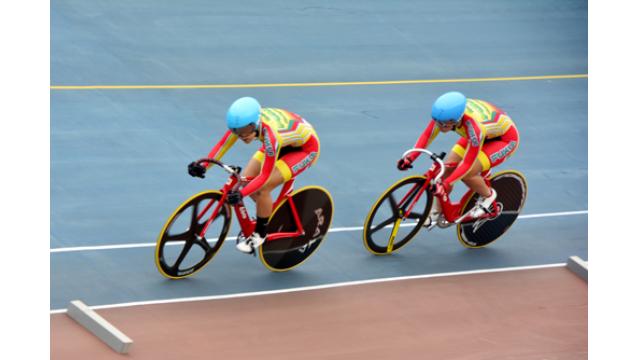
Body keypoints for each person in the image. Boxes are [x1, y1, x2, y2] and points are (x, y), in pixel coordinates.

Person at [188, 97, 320, 253]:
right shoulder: (242, 125)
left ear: (255, 123)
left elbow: (264, 176)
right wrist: (203, 166)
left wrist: (242, 194)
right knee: (245, 180)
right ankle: (268, 211)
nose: (242, 135)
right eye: (237, 132)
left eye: (246, 131)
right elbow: (222, 145)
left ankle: (260, 234)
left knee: (263, 188)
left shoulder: (270, 136)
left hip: (305, 149)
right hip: (284, 141)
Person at [397, 91, 520, 220]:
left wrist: (447, 184)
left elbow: (467, 164)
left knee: (467, 174)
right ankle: (436, 211)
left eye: (444, 124)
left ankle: (488, 196)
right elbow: (427, 136)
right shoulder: (444, 116)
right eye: (437, 122)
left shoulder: (473, 127)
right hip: (477, 135)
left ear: (456, 119)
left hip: (504, 140)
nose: (439, 126)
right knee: (443, 171)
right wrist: (409, 158)